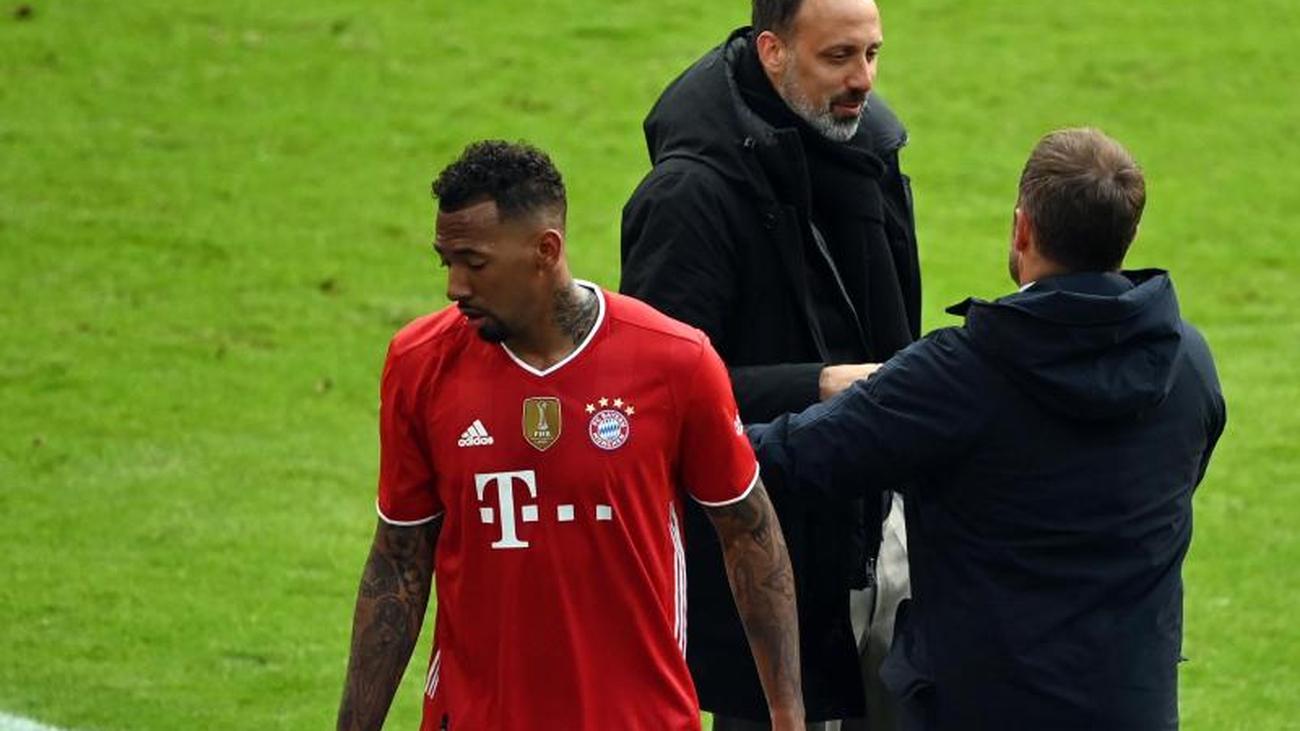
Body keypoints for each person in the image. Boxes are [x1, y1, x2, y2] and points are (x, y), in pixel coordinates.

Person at [749, 128, 1227, 730]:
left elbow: (785, 458)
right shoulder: (1187, 362)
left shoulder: (958, 374)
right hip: (1131, 707)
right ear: (1128, 235)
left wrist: (684, 400)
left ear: (1022, 229)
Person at [336, 141, 804, 731]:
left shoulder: (674, 361)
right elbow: (398, 562)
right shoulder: (419, 363)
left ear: (546, 250)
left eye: (474, 263)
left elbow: (749, 533)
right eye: (445, 261)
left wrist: (787, 714)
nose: (454, 287)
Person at [620, 0, 919, 727]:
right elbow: (650, 393)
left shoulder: (870, 153)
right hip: (766, 563)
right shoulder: (689, 196)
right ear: (772, 51)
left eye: (872, 53)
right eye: (838, 57)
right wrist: (818, 385)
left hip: (881, 534)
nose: (863, 79)